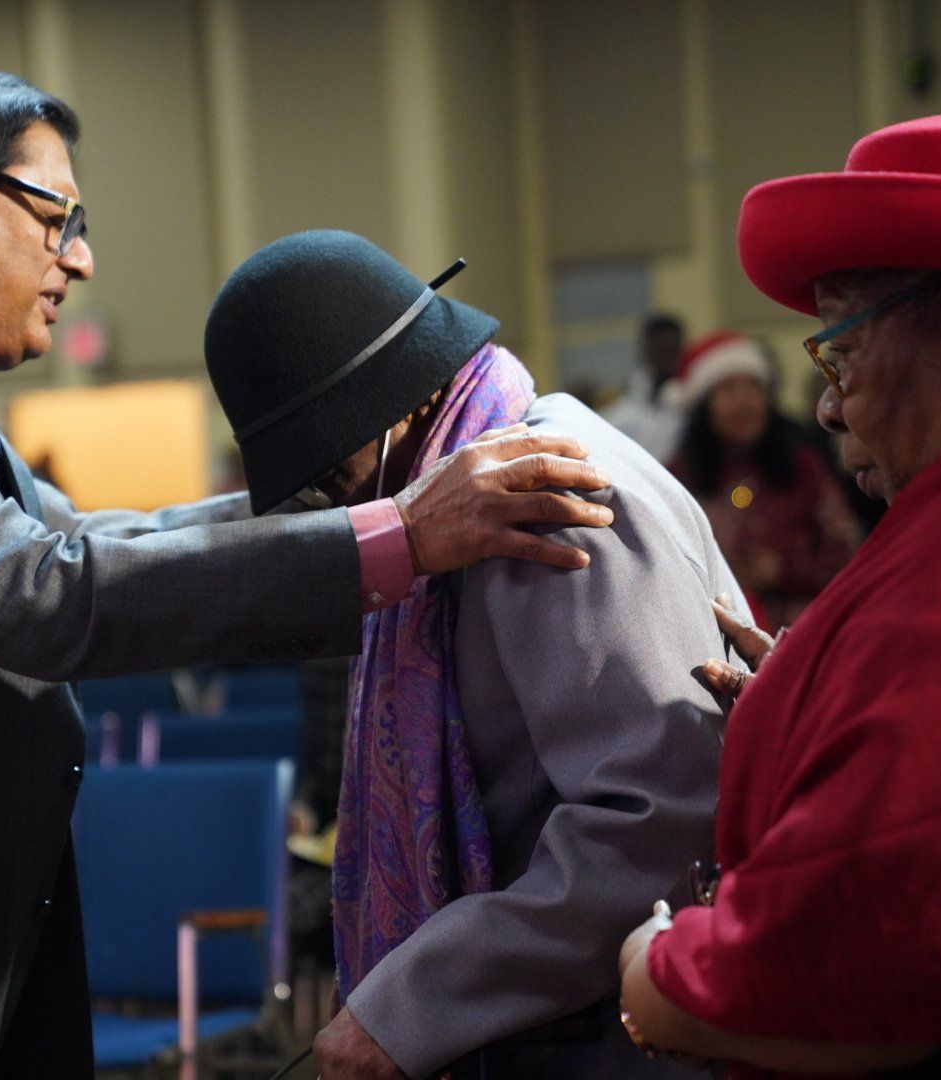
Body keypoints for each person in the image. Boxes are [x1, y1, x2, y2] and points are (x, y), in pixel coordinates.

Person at [0, 69, 615, 1080]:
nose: (79, 260)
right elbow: (44, 591)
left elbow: (108, 539)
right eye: (57, 218)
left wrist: (368, 500)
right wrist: (397, 534)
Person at [616, 113, 941, 1078]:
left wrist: (653, 975)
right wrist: (829, 697)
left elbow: (858, 955)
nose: (830, 405)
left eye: (840, 351)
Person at [203, 230, 746, 1079]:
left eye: (323, 468)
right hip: (553, 1019)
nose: (328, 499)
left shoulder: (555, 494)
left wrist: (411, 1004)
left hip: (610, 1037)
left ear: (389, 404)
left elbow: (657, 825)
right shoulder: (461, 484)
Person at [665, 331, 861, 630]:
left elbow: (846, 553)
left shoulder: (801, 466)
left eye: (753, 387)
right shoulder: (679, 476)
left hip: (803, 633)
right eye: (728, 389)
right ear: (703, 405)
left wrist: (782, 570)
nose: (744, 401)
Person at [601, 313, 685, 460]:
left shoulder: (692, 406)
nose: (667, 359)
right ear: (646, 350)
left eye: (672, 350)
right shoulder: (621, 411)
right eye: (661, 350)